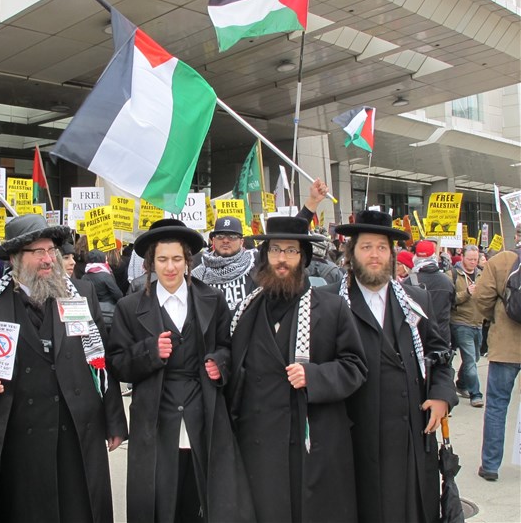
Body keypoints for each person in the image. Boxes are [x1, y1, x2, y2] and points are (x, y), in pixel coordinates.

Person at [0, 214, 127, 523]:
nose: (48, 258)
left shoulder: (81, 293)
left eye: (51, 250)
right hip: (17, 436)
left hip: (74, 428)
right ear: (15, 258)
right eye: (37, 252)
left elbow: (100, 359)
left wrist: (114, 419)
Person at [108, 219, 253, 523]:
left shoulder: (211, 299)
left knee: (201, 498)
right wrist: (148, 352)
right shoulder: (130, 306)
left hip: (204, 411)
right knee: (161, 498)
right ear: (150, 263)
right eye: (162, 259)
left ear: (188, 261)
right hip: (156, 415)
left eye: (177, 259)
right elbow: (118, 363)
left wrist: (219, 364)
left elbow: (228, 346)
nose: (170, 267)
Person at [318, 210, 457, 523]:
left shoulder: (415, 299)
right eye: (366, 247)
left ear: (392, 254)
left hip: (409, 434)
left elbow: (440, 353)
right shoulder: (329, 302)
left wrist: (441, 395)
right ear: (351, 253)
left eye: (382, 247)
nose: (375, 255)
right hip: (355, 433)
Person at [228, 216, 367, 522]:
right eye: (276, 250)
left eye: (291, 251)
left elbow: (355, 366)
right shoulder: (246, 310)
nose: (282, 259)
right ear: (265, 256)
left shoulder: (332, 308)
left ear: (303, 257)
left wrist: (315, 376)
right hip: (259, 445)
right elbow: (232, 358)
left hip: (310, 444)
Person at [192, 178, 330, 310]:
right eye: (220, 236)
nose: (226, 240)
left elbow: (286, 236)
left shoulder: (255, 260)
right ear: (212, 240)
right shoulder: (197, 267)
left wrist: (312, 202)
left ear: (242, 241)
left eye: (232, 236)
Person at [473, 224, 521, 481]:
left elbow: (481, 297)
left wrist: (495, 317)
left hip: (505, 346)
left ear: (517, 236)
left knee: (497, 406)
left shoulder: (501, 260)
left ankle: (490, 465)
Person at [451, 244, 485, 407]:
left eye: (475, 259)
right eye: (470, 259)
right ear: (462, 257)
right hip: (461, 322)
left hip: (478, 322)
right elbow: (450, 299)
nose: (473, 262)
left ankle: (462, 383)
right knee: (470, 359)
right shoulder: (453, 275)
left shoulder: (481, 274)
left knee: (475, 357)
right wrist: (467, 293)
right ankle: (475, 394)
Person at [411, 239, 455, 347]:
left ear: (415, 256)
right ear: (434, 256)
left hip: (417, 339)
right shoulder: (447, 281)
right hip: (441, 337)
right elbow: (453, 304)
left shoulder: (408, 282)